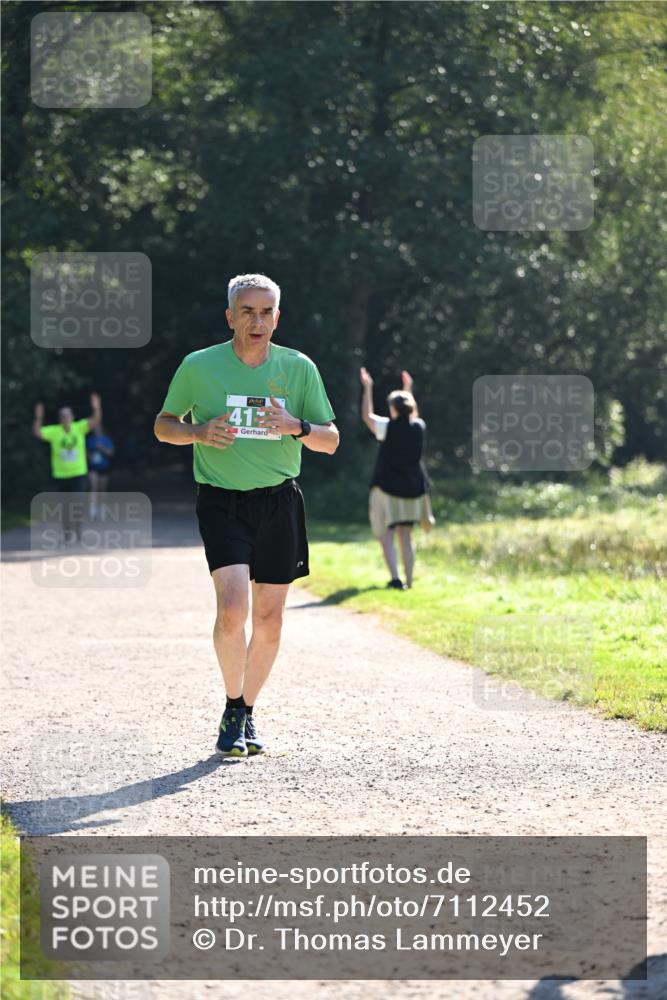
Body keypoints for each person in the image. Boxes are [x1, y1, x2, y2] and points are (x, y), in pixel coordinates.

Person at [154, 273, 339, 758]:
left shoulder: (298, 368)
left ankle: (246, 711)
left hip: (279, 501)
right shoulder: (199, 366)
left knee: (271, 618)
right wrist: (198, 431)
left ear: (277, 317)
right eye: (247, 311)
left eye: (266, 312)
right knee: (233, 609)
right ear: (230, 316)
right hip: (222, 500)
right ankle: (233, 702)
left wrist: (297, 426)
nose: (257, 321)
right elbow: (163, 426)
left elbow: (331, 440)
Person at [360, 367, 435, 589]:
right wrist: (408, 389)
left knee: (385, 534)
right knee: (406, 535)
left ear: (392, 409)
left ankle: (395, 578)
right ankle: (410, 582)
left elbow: (367, 417)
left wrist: (368, 387)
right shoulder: (419, 427)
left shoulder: (386, 427)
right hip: (413, 488)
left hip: (387, 487)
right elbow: (413, 415)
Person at [32, 393, 103, 543]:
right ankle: (67, 533)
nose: (65, 418)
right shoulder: (54, 431)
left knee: (77, 505)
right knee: (65, 507)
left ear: (72, 417)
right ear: (60, 419)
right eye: (62, 416)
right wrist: (38, 418)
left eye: (67, 415)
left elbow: (95, 421)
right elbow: (38, 433)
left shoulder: (79, 427)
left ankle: (77, 530)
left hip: (78, 474)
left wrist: (96, 408)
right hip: (61, 475)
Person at [86, 423, 115, 520]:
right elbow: (86, 453)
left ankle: (101, 507)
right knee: (93, 486)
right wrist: (89, 456)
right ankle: (92, 509)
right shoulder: (90, 440)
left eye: (98, 427)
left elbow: (111, 453)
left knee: (102, 488)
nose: (96, 429)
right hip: (93, 467)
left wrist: (101, 448)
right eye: (95, 428)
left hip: (104, 467)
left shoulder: (106, 439)